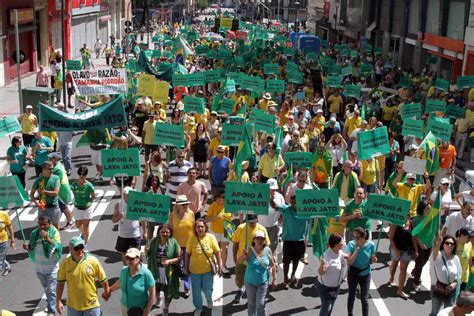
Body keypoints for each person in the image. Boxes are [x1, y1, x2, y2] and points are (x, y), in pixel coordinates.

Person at [56, 236, 110, 315]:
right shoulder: (64, 264)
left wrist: (106, 291)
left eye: (81, 247)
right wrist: (58, 301)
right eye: (76, 248)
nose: (80, 250)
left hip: (92, 304)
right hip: (73, 306)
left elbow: (103, 279)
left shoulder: (93, 261)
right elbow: (60, 283)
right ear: (70, 249)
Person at [23, 215, 62, 315]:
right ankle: (51, 302)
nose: (42, 227)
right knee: (46, 288)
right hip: (39, 267)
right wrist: (27, 247)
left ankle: (51, 310)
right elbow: (31, 247)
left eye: (45, 225)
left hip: (52, 269)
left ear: (50, 223)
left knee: (51, 290)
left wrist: (47, 238)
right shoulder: (34, 233)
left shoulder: (54, 232)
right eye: (40, 225)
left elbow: (58, 247)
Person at [271, 193, 309, 289]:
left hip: (299, 240)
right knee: (286, 261)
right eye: (292, 202)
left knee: (296, 260)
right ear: (290, 202)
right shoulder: (286, 209)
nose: (294, 204)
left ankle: (292, 275)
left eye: (296, 202)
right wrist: (271, 198)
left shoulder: (305, 210)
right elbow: (274, 206)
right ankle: (285, 279)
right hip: (288, 240)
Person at [185, 219, 223, 315]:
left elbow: (217, 253)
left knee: (207, 289)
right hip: (195, 271)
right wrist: (186, 267)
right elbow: (187, 254)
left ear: (206, 227)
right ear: (195, 229)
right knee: (196, 292)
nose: (200, 228)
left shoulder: (211, 237)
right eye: (198, 227)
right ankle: (198, 308)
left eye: (202, 226)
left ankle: (209, 300)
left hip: (207, 270)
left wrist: (220, 266)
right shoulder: (192, 238)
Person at [237, 230, 277, 316]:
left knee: (260, 303)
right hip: (249, 282)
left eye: (262, 239)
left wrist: (274, 279)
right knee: (251, 303)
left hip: (263, 282)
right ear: (254, 240)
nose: (260, 241)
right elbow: (239, 261)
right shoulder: (249, 250)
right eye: (258, 238)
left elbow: (273, 265)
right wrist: (244, 255)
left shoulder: (268, 250)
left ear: (264, 240)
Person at [232, 215, 271, 303]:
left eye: (253, 222)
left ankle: (252, 297)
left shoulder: (262, 229)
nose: (252, 224)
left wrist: (267, 259)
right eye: (250, 223)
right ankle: (240, 289)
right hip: (242, 261)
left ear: (257, 220)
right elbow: (235, 243)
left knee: (254, 282)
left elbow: (267, 246)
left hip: (255, 263)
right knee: (239, 280)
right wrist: (235, 257)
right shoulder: (241, 228)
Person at [109, 248, 155, 316]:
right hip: (125, 307)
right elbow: (120, 283)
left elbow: (152, 293)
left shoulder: (146, 274)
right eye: (127, 258)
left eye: (132, 258)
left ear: (138, 258)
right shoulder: (124, 270)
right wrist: (109, 290)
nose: (129, 260)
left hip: (140, 309)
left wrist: (147, 310)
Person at [147, 224, 181, 316]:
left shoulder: (174, 243)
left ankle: (166, 308)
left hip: (168, 272)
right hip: (155, 271)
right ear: (159, 232)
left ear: (170, 233)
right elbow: (149, 255)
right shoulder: (154, 241)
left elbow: (179, 258)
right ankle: (158, 297)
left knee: (168, 292)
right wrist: (147, 250)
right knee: (154, 289)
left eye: (167, 232)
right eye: (162, 232)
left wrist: (169, 261)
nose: (164, 234)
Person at [346, 227, 377, 316]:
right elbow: (350, 262)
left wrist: (374, 259)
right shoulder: (351, 244)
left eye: (357, 237)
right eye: (353, 236)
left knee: (365, 299)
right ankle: (350, 314)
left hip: (366, 274)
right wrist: (356, 250)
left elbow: (372, 259)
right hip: (353, 274)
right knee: (351, 296)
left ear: (364, 237)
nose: (355, 239)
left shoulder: (371, 245)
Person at [112, 187, 146, 264]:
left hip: (135, 233)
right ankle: (126, 271)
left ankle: (137, 271)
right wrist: (119, 216)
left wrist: (145, 232)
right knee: (124, 254)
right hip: (123, 234)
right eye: (127, 194)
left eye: (130, 194)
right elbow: (113, 220)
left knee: (137, 254)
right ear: (123, 195)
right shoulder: (118, 204)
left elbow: (143, 218)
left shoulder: (137, 203)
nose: (129, 196)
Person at [169, 195, 194, 298]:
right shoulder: (172, 215)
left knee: (186, 266)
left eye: (186, 204)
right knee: (176, 266)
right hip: (176, 245)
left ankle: (187, 286)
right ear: (178, 206)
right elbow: (170, 229)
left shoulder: (191, 213)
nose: (185, 205)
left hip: (188, 244)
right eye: (183, 204)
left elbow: (193, 227)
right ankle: (174, 286)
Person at [430, 235, 462, 316]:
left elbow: (459, 274)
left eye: (452, 243)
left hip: (451, 290)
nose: (450, 245)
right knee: (435, 312)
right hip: (438, 288)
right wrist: (438, 242)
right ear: (443, 244)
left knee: (448, 313)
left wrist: (454, 284)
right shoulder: (438, 256)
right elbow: (434, 253)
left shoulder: (456, 258)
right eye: (447, 243)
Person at [316, 233, 346, 316]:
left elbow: (345, 256)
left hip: (336, 286)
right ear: (336, 244)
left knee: (331, 306)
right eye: (342, 241)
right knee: (326, 307)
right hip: (325, 287)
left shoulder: (339, 251)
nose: (343, 243)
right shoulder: (327, 256)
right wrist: (322, 264)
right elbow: (321, 272)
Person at [205, 190, 232, 274]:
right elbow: (206, 219)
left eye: (224, 197)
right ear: (217, 197)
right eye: (222, 197)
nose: (223, 199)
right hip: (215, 229)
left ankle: (223, 265)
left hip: (228, 228)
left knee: (225, 248)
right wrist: (215, 217)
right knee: (217, 249)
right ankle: (217, 264)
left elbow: (236, 214)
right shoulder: (213, 206)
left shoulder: (229, 205)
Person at [258, 178, 285, 261]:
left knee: (274, 244)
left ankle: (273, 261)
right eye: (270, 189)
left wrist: (281, 217)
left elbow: (283, 209)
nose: (272, 191)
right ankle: (262, 260)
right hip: (262, 225)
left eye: (273, 189)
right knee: (261, 244)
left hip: (274, 225)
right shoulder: (260, 195)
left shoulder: (280, 197)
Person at [410, 200, 434, 292]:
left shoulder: (432, 218)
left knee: (424, 261)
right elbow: (414, 233)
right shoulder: (417, 219)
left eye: (430, 208)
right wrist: (419, 244)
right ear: (422, 210)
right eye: (428, 208)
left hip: (429, 244)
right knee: (419, 263)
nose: (430, 209)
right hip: (420, 245)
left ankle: (415, 271)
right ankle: (416, 282)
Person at [48, 152, 75, 231]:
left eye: (51, 158)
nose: (49, 159)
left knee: (64, 207)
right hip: (61, 190)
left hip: (62, 191)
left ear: (55, 159)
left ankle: (70, 222)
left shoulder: (57, 169)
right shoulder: (58, 164)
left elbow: (54, 181)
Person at [388, 219, 415, 299]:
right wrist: (396, 250)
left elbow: (414, 237)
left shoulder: (411, 223)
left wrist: (415, 250)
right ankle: (391, 278)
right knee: (394, 264)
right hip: (396, 248)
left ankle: (400, 290)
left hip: (407, 250)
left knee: (403, 269)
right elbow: (391, 238)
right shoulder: (395, 223)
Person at [30, 161, 61, 229]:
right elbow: (31, 195)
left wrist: (44, 191)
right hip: (43, 208)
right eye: (50, 169)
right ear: (44, 169)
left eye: (52, 168)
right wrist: (37, 204)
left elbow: (55, 193)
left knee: (55, 226)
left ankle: (56, 239)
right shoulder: (38, 180)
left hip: (53, 207)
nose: (52, 170)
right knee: (42, 227)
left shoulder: (56, 178)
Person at [70, 166, 96, 244]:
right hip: (78, 207)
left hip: (87, 208)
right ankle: (84, 233)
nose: (82, 176)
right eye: (80, 174)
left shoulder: (89, 186)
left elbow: (93, 197)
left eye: (83, 174)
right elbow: (74, 194)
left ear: (86, 175)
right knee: (78, 224)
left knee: (86, 227)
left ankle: (85, 243)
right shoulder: (74, 184)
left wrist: (88, 202)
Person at [0, 210, 14, 277]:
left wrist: (12, 240)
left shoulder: (3, 214)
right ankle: (7, 267)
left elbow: (10, 228)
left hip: (3, 241)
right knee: (1, 259)